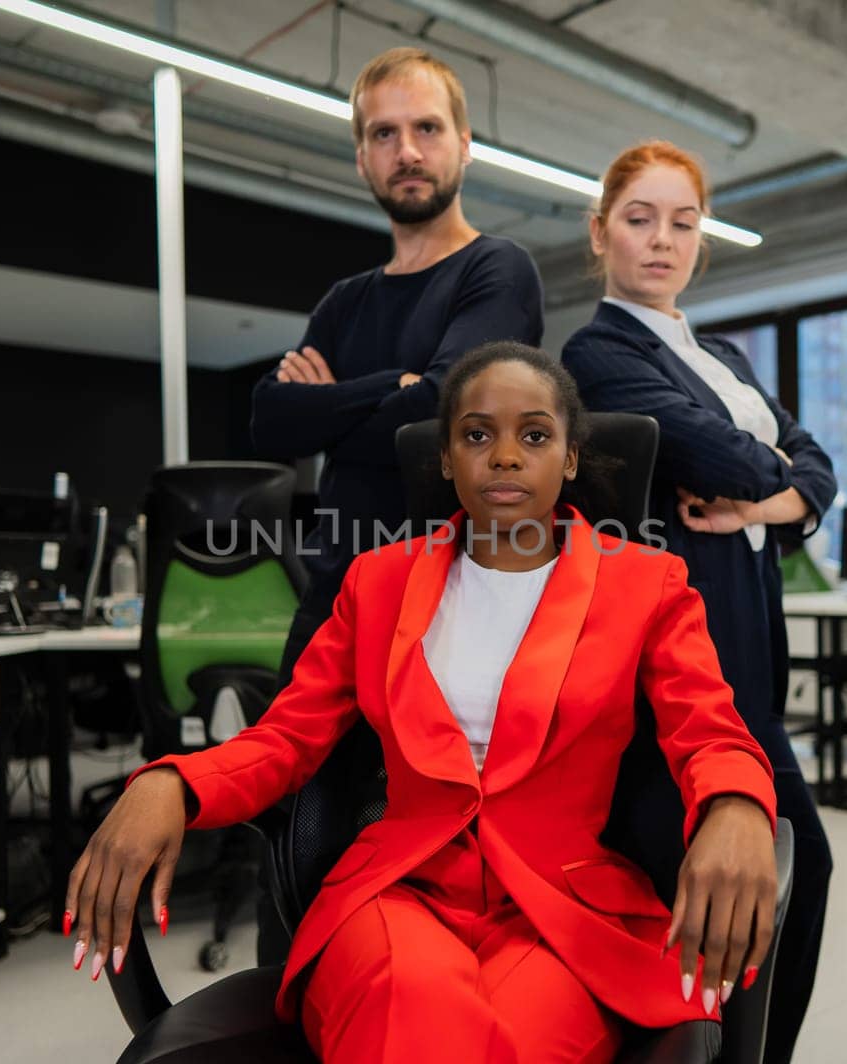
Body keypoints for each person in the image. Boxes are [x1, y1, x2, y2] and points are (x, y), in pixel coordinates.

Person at [66, 342, 779, 1063]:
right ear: (445, 458)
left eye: (534, 435)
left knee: (516, 1041)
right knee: (409, 1008)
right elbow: (286, 739)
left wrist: (738, 805)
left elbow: (710, 731)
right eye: (477, 434)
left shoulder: (648, 583)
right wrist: (172, 782)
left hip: (561, 912)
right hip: (400, 892)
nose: (505, 456)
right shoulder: (377, 581)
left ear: (568, 458)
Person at [562, 141, 838, 1064]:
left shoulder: (718, 352)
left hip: (755, 653)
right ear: (601, 232)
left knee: (789, 879)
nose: (662, 242)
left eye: (683, 223)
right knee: (714, 886)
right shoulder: (595, 352)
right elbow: (736, 457)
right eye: (639, 219)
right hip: (688, 668)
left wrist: (767, 501)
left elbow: (818, 468)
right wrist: (775, 483)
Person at [248, 46, 545, 685]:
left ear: (464, 144)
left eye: (427, 128)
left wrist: (332, 412)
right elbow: (271, 423)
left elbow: (439, 420)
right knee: (300, 779)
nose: (406, 150)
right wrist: (395, 386)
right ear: (362, 159)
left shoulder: (498, 269)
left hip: (454, 599)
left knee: (416, 788)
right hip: (338, 595)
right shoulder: (345, 301)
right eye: (384, 133)